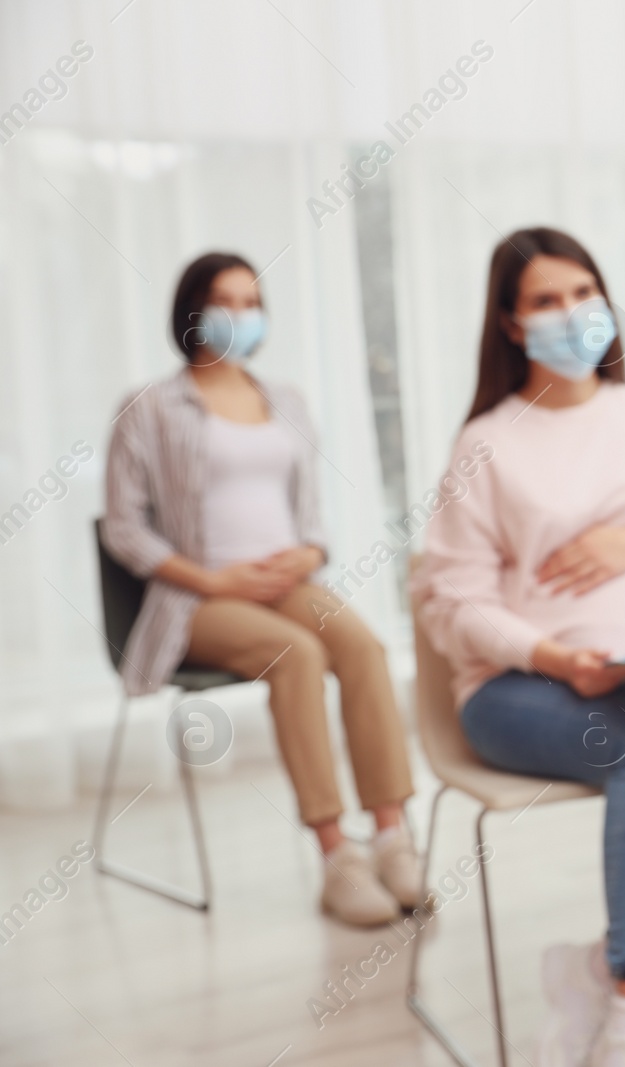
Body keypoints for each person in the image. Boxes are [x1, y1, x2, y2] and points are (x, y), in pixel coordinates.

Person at [413, 227, 625, 1067]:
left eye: (583, 294)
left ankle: (599, 966)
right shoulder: (486, 443)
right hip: (515, 686)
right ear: (509, 324)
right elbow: (449, 603)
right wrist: (555, 656)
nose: (572, 314)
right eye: (545, 300)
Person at [103, 252, 422, 927]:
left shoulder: (287, 402)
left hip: (287, 580)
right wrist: (212, 577)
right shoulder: (149, 407)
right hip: (201, 597)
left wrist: (307, 552)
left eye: (253, 303)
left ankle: (392, 837)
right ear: (192, 311)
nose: (241, 316)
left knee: (363, 645)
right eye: (226, 301)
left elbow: (311, 517)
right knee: (296, 657)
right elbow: (123, 527)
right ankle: (338, 856)